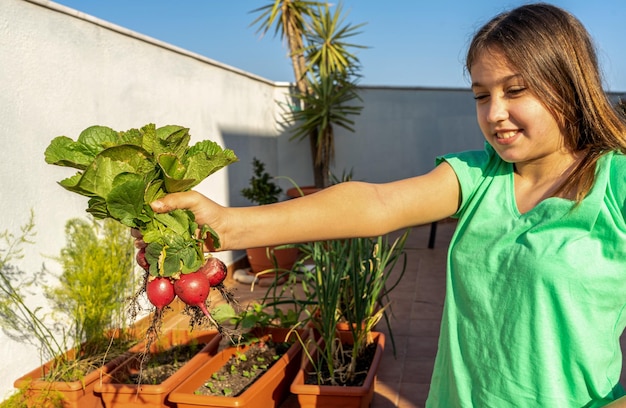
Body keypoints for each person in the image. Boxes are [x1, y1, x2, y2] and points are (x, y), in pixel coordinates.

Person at [148, 3, 626, 407]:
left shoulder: (616, 184)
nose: (494, 113)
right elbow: (375, 204)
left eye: (515, 90)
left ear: (567, 84)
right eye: (482, 95)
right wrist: (227, 227)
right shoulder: (480, 176)